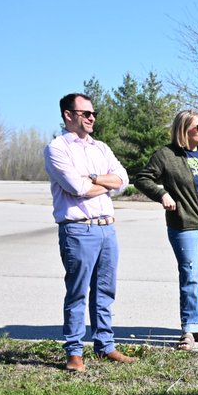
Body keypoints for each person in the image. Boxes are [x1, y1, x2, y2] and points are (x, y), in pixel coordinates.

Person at [43, 92, 136, 372]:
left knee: (105, 290)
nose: (92, 117)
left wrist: (94, 178)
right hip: (78, 230)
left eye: (93, 113)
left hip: (107, 228)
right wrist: (104, 183)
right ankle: (74, 351)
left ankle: (105, 345)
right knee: (77, 292)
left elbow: (123, 179)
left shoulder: (101, 147)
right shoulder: (57, 148)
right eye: (86, 113)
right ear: (68, 115)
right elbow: (76, 188)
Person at [133, 110, 198, 350]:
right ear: (183, 129)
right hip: (184, 224)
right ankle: (189, 328)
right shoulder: (166, 155)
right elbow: (142, 178)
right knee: (190, 276)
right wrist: (162, 194)